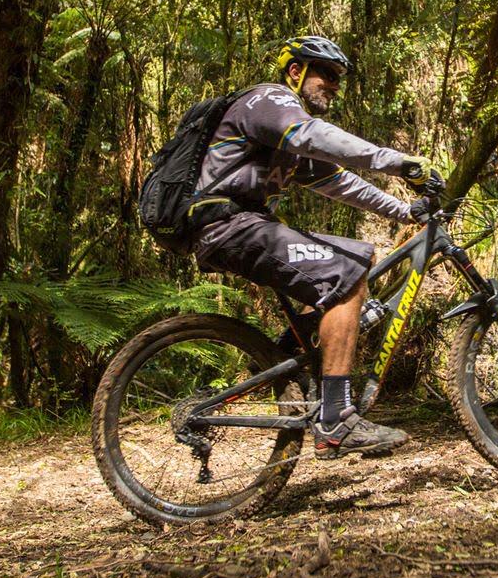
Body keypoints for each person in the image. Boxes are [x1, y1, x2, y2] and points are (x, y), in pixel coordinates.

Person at [189, 35, 441, 458]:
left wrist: (405, 212)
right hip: (228, 225)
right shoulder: (267, 101)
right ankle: (336, 420)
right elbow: (315, 137)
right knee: (347, 275)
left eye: (338, 78)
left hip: (243, 227)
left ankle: (280, 362)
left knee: (351, 258)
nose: (334, 85)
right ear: (295, 72)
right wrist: (398, 161)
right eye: (327, 74)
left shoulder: (287, 138)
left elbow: (339, 182)